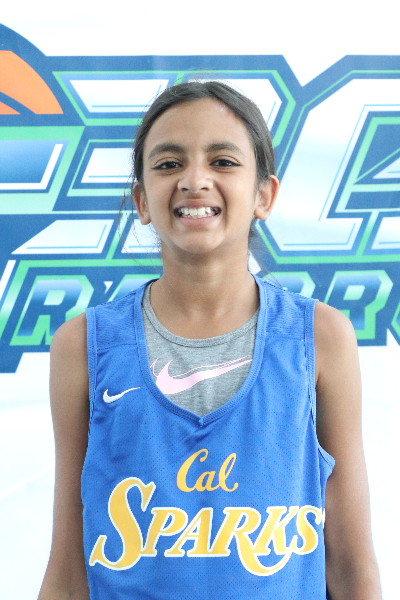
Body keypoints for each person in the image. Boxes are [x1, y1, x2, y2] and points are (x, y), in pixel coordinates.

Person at [38, 81, 381, 600]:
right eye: (168, 164)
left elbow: (353, 570)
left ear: (264, 195)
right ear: (141, 200)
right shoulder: (82, 345)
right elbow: (68, 570)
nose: (194, 180)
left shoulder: (321, 336)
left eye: (222, 161)